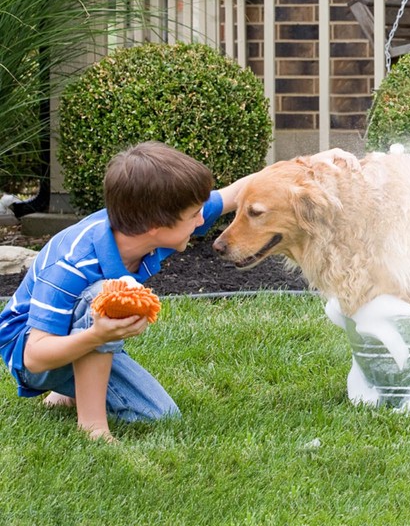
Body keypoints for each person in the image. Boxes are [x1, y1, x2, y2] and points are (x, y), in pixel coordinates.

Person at [0, 141, 356, 441]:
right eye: (194, 216)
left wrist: (312, 164)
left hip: (70, 341)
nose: (204, 221)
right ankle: (93, 425)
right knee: (101, 296)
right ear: (156, 225)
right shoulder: (72, 261)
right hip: (29, 351)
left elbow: (235, 194)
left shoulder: (149, 229)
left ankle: (68, 389)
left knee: (158, 416)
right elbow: (34, 354)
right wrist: (97, 335)